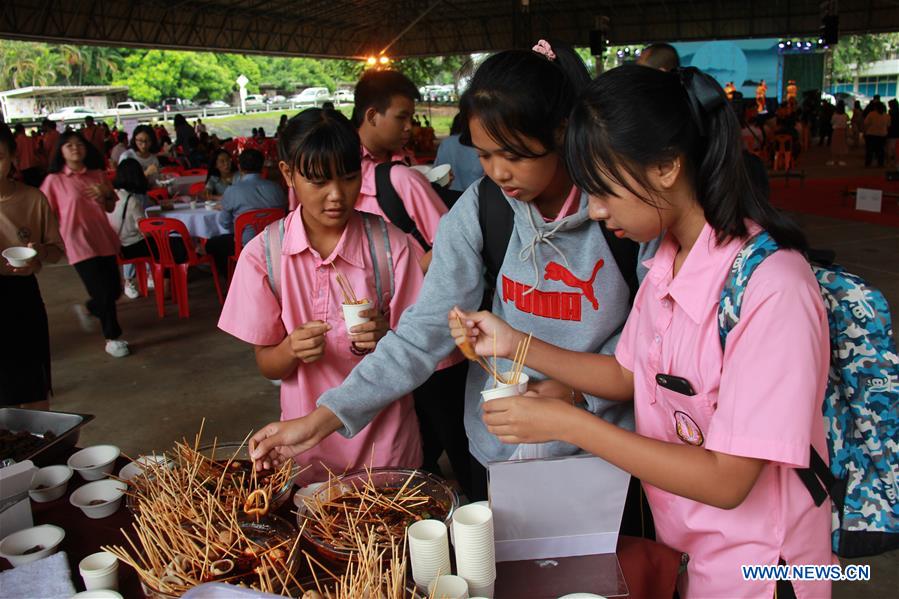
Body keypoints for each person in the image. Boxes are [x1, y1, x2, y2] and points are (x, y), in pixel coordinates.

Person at [451, 65, 831, 598]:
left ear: (667, 167)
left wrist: (567, 422)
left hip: (764, 568)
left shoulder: (773, 289)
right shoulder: (668, 263)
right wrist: (516, 343)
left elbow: (727, 479)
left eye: (604, 190)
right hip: (690, 546)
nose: (598, 210)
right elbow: (628, 374)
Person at [249, 42, 657, 510]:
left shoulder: (622, 216)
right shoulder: (483, 209)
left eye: (515, 154)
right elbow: (421, 332)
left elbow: (647, 350)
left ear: (561, 130)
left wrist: (577, 393)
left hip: (604, 454)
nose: (499, 172)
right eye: (484, 156)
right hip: (501, 451)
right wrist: (322, 418)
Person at [218, 109, 427, 484]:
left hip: (387, 448)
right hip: (307, 453)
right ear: (287, 174)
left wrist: (386, 337)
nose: (336, 196)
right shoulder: (264, 256)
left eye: (349, 179)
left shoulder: (390, 246)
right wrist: (290, 350)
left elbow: (419, 351)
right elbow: (268, 365)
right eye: (318, 181)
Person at [40, 131, 130, 358]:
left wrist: (106, 193)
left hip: (103, 238)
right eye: (68, 145)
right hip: (77, 242)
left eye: (79, 144)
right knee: (102, 291)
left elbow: (110, 207)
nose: (74, 148)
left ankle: (90, 308)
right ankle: (113, 337)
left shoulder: (97, 175)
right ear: (60, 151)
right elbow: (45, 213)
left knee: (114, 291)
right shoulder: (55, 181)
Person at [351, 69, 448, 266]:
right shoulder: (344, 165)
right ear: (372, 116)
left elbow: (447, 243)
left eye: (410, 118)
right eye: (401, 118)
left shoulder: (405, 158)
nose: (409, 127)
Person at [0, 125, 65, 409]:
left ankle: (37, 449)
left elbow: (56, 252)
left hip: (20, 298)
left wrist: (39, 254)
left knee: (32, 390)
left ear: (14, 157)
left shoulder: (32, 199)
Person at [110, 157, 186, 297]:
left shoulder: (112, 195)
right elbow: (145, 230)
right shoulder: (132, 200)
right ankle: (165, 284)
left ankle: (155, 277)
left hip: (116, 246)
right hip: (131, 246)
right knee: (170, 245)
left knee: (165, 244)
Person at [205, 149, 286, 280]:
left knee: (212, 244)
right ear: (262, 166)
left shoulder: (232, 191)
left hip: (246, 246)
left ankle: (232, 281)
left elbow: (224, 224)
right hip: (276, 243)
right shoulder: (276, 188)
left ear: (240, 167)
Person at [434, 113, 484, 192]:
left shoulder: (447, 142)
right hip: (473, 196)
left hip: (447, 194)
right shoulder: (482, 146)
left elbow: (436, 172)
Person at [863, 102, 889, 168]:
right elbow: (888, 125)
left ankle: (868, 163)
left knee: (870, 150)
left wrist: (865, 131)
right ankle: (880, 163)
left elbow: (866, 123)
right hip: (882, 134)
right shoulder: (886, 115)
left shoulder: (871, 114)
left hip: (871, 134)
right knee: (880, 150)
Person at [828, 101, 849, 166]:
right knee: (842, 145)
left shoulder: (835, 115)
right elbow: (847, 122)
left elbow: (832, 122)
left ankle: (834, 160)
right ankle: (841, 160)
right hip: (843, 131)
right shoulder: (845, 115)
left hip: (836, 130)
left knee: (835, 145)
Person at [886, 99, 899, 167]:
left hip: (891, 132)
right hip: (897, 132)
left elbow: (889, 124)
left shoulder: (890, 113)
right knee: (896, 148)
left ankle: (890, 162)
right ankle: (895, 162)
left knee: (890, 148)